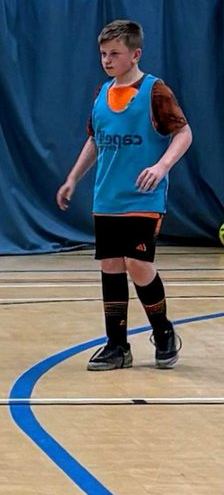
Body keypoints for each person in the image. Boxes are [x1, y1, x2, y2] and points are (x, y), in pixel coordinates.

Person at [57, 19, 192, 371]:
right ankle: (117, 346)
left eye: (114, 53)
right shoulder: (102, 93)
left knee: (138, 264)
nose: (107, 60)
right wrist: (72, 178)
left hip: (143, 198)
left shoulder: (155, 90)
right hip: (107, 198)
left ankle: (163, 332)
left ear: (135, 54)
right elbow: (94, 141)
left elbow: (184, 133)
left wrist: (161, 167)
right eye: (103, 54)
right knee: (111, 266)